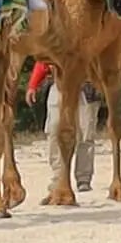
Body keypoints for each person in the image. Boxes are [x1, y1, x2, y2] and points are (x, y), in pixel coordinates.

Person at [25, 61, 97, 193]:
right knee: (54, 130)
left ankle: (83, 178)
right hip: (58, 83)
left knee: (85, 132)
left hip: (85, 84)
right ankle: (58, 176)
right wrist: (33, 85)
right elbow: (43, 59)